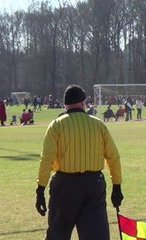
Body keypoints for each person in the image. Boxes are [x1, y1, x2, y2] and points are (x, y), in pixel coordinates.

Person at [35, 84, 123, 240]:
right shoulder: (98, 125)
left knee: (58, 234)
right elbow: (113, 157)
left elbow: (46, 159)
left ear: (65, 105)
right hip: (93, 184)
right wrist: (116, 186)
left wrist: (40, 189)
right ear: (84, 103)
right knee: (96, 235)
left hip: (65, 185)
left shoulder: (56, 125)